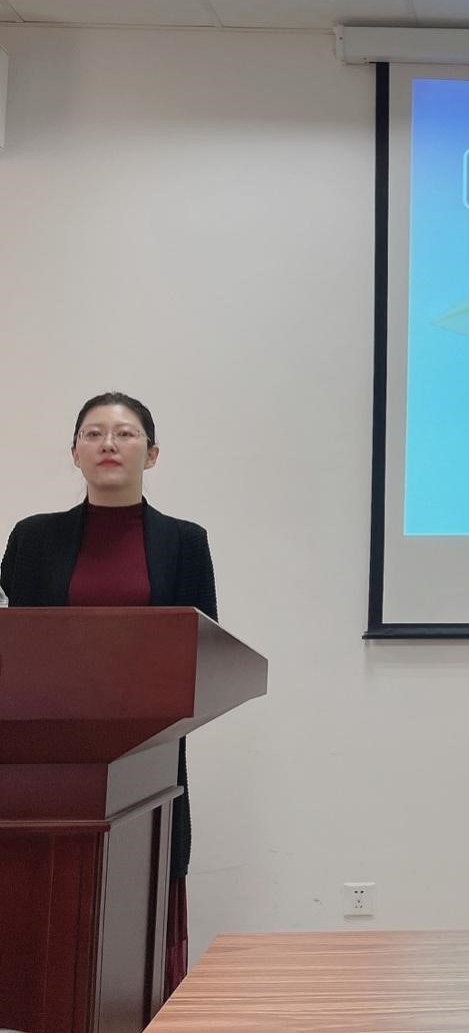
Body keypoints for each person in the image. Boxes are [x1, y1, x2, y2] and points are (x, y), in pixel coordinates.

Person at [0, 391, 216, 995]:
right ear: (75, 453)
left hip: (148, 752)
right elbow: (13, 645)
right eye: (93, 434)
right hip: (46, 757)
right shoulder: (33, 537)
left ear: (152, 453)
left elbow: (202, 647)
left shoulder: (184, 541)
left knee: (135, 905)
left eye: (124, 434)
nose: (108, 445)